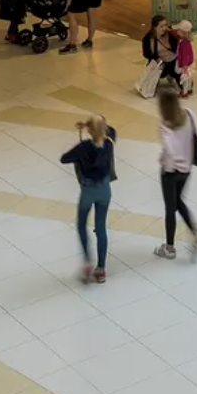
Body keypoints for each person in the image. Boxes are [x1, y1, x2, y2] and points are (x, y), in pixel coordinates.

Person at [61, 115, 117, 283]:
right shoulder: (109, 144)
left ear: (90, 130)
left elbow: (64, 159)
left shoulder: (84, 147)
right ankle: (101, 269)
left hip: (88, 191)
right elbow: (111, 131)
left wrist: (84, 129)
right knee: (101, 229)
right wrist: (90, 126)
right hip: (105, 191)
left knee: (81, 224)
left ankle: (87, 262)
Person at [155, 85, 197, 261]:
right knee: (178, 202)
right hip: (187, 169)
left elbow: (170, 152)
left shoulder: (165, 126)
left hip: (170, 172)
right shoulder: (190, 115)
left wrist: (166, 166)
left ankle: (169, 247)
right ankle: (196, 235)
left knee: (171, 208)